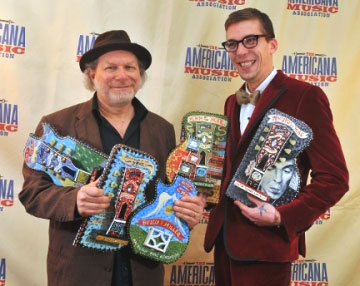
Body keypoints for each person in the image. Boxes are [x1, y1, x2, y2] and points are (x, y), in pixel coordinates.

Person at [19, 30, 206, 286]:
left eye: (130, 67)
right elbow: (32, 193)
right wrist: (74, 201)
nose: (122, 75)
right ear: (92, 74)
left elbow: (166, 194)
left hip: (142, 270)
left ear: (139, 76)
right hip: (80, 272)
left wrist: (185, 211)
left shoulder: (162, 129)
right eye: (111, 67)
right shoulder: (57, 125)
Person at [204, 8, 349, 286]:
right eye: (232, 44)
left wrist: (282, 216)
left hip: (266, 248)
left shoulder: (305, 96)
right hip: (224, 244)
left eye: (250, 40)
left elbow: (335, 179)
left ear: (272, 44)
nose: (241, 51)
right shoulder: (232, 102)